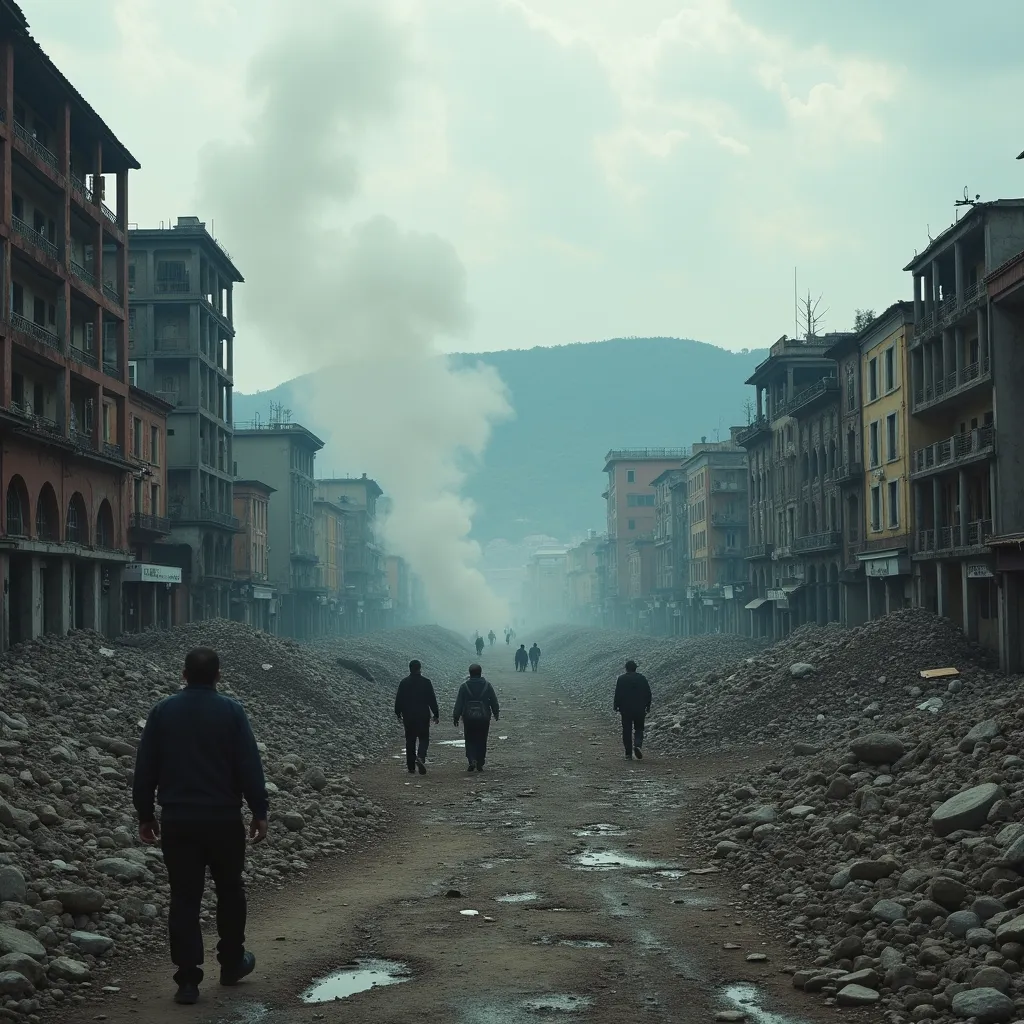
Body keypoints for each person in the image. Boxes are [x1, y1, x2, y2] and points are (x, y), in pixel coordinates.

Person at [133, 647, 268, 1006]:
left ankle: (188, 980)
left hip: (179, 821)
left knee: (184, 897)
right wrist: (259, 810)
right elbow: (248, 765)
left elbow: (145, 767)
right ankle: (231, 962)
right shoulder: (232, 712)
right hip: (223, 819)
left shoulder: (162, 712)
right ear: (218, 676)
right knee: (230, 889)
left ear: (183, 674)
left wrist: (145, 814)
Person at [394, 659, 439, 775]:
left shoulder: (404, 682)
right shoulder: (426, 682)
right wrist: (436, 714)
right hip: (423, 715)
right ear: (420, 668)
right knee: (424, 738)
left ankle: (411, 767)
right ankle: (421, 757)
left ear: (410, 668)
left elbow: (399, 699)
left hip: (408, 716)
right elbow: (432, 699)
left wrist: (398, 713)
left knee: (410, 740)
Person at [453, 664, 500, 772]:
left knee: (469, 739)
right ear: (480, 672)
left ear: (470, 673)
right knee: (482, 739)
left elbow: (459, 703)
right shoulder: (487, 685)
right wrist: (496, 713)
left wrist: (456, 716)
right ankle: (480, 761)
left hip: (468, 717)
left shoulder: (464, 686)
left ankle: (471, 759)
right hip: (483, 717)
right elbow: (493, 700)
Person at [613, 659, 652, 761]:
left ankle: (628, 754)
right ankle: (638, 745)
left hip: (626, 709)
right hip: (640, 708)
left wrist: (616, 705)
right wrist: (648, 705)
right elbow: (648, 693)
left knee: (627, 730)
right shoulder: (642, 678)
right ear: (636, 668)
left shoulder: (621, 679)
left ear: (626, 668)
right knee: (639, 728)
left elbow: (618, 694)